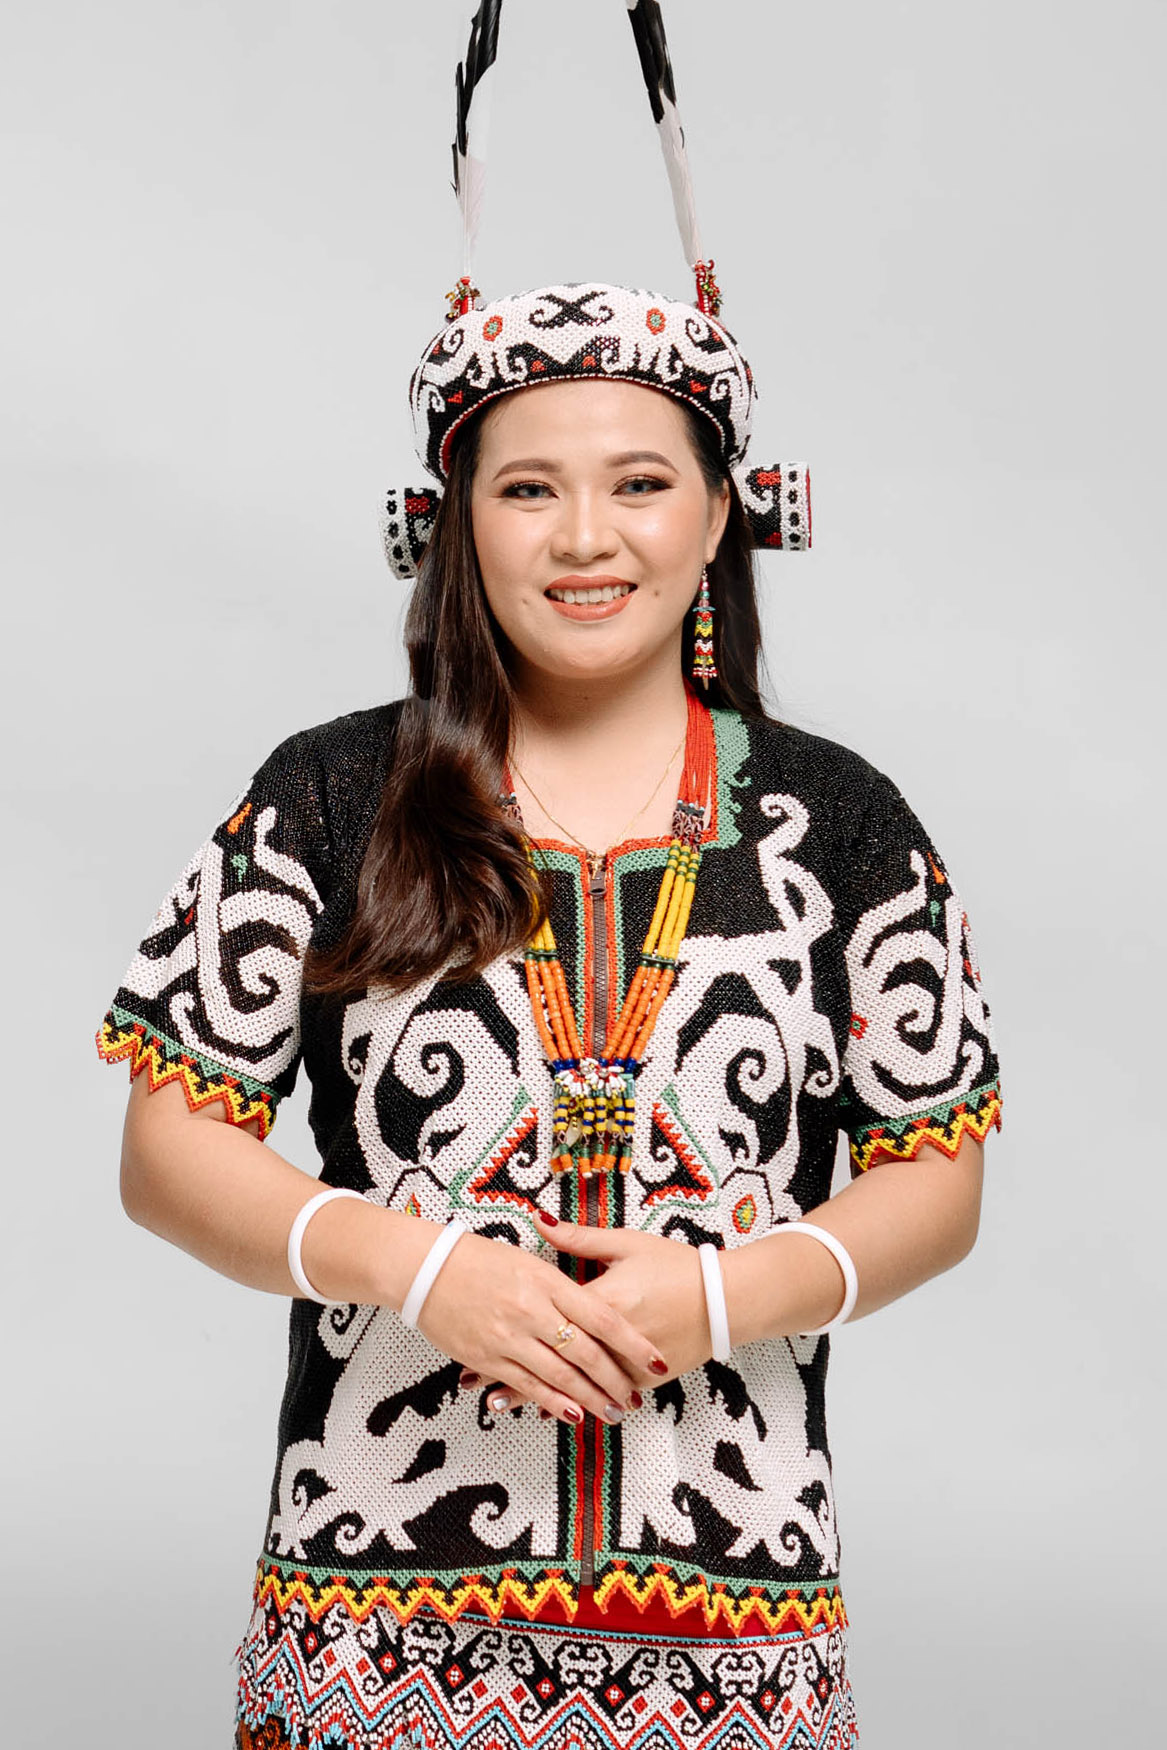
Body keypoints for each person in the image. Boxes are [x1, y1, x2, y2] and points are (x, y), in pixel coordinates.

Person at [94, 13, 1003, 1748]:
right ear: (452, 520)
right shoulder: (333, 794)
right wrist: (417, 1267)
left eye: (642, 483)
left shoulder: (842, 822)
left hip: (731, 1624)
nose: (587, 537)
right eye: (528, 489)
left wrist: (718, 1295)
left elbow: (937, 1174)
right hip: (372, 1625)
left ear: (727, 513)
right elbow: (165, 1147)